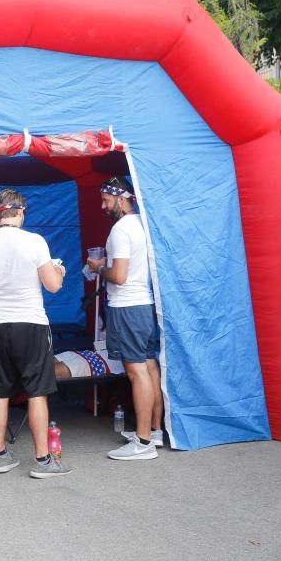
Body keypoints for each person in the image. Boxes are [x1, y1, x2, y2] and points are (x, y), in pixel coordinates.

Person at [0, 188, 72, 478]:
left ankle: (0, 455)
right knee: (37, 392)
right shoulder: (35, 241)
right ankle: (42, 461)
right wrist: (60, 272)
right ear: (20, 212)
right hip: (30, 323)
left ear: (0, 212)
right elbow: (52, 285)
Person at [87, 176, 164, 460]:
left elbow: (119, 276)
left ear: (121, 198)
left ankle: (143, 443)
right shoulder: (143, 223)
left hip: (127, 307)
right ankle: (154, 431)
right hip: (145, 305)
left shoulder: (119, 230)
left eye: (106, 200)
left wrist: (99, 268)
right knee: (149, 366)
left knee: (136, 372)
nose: (103, 205)